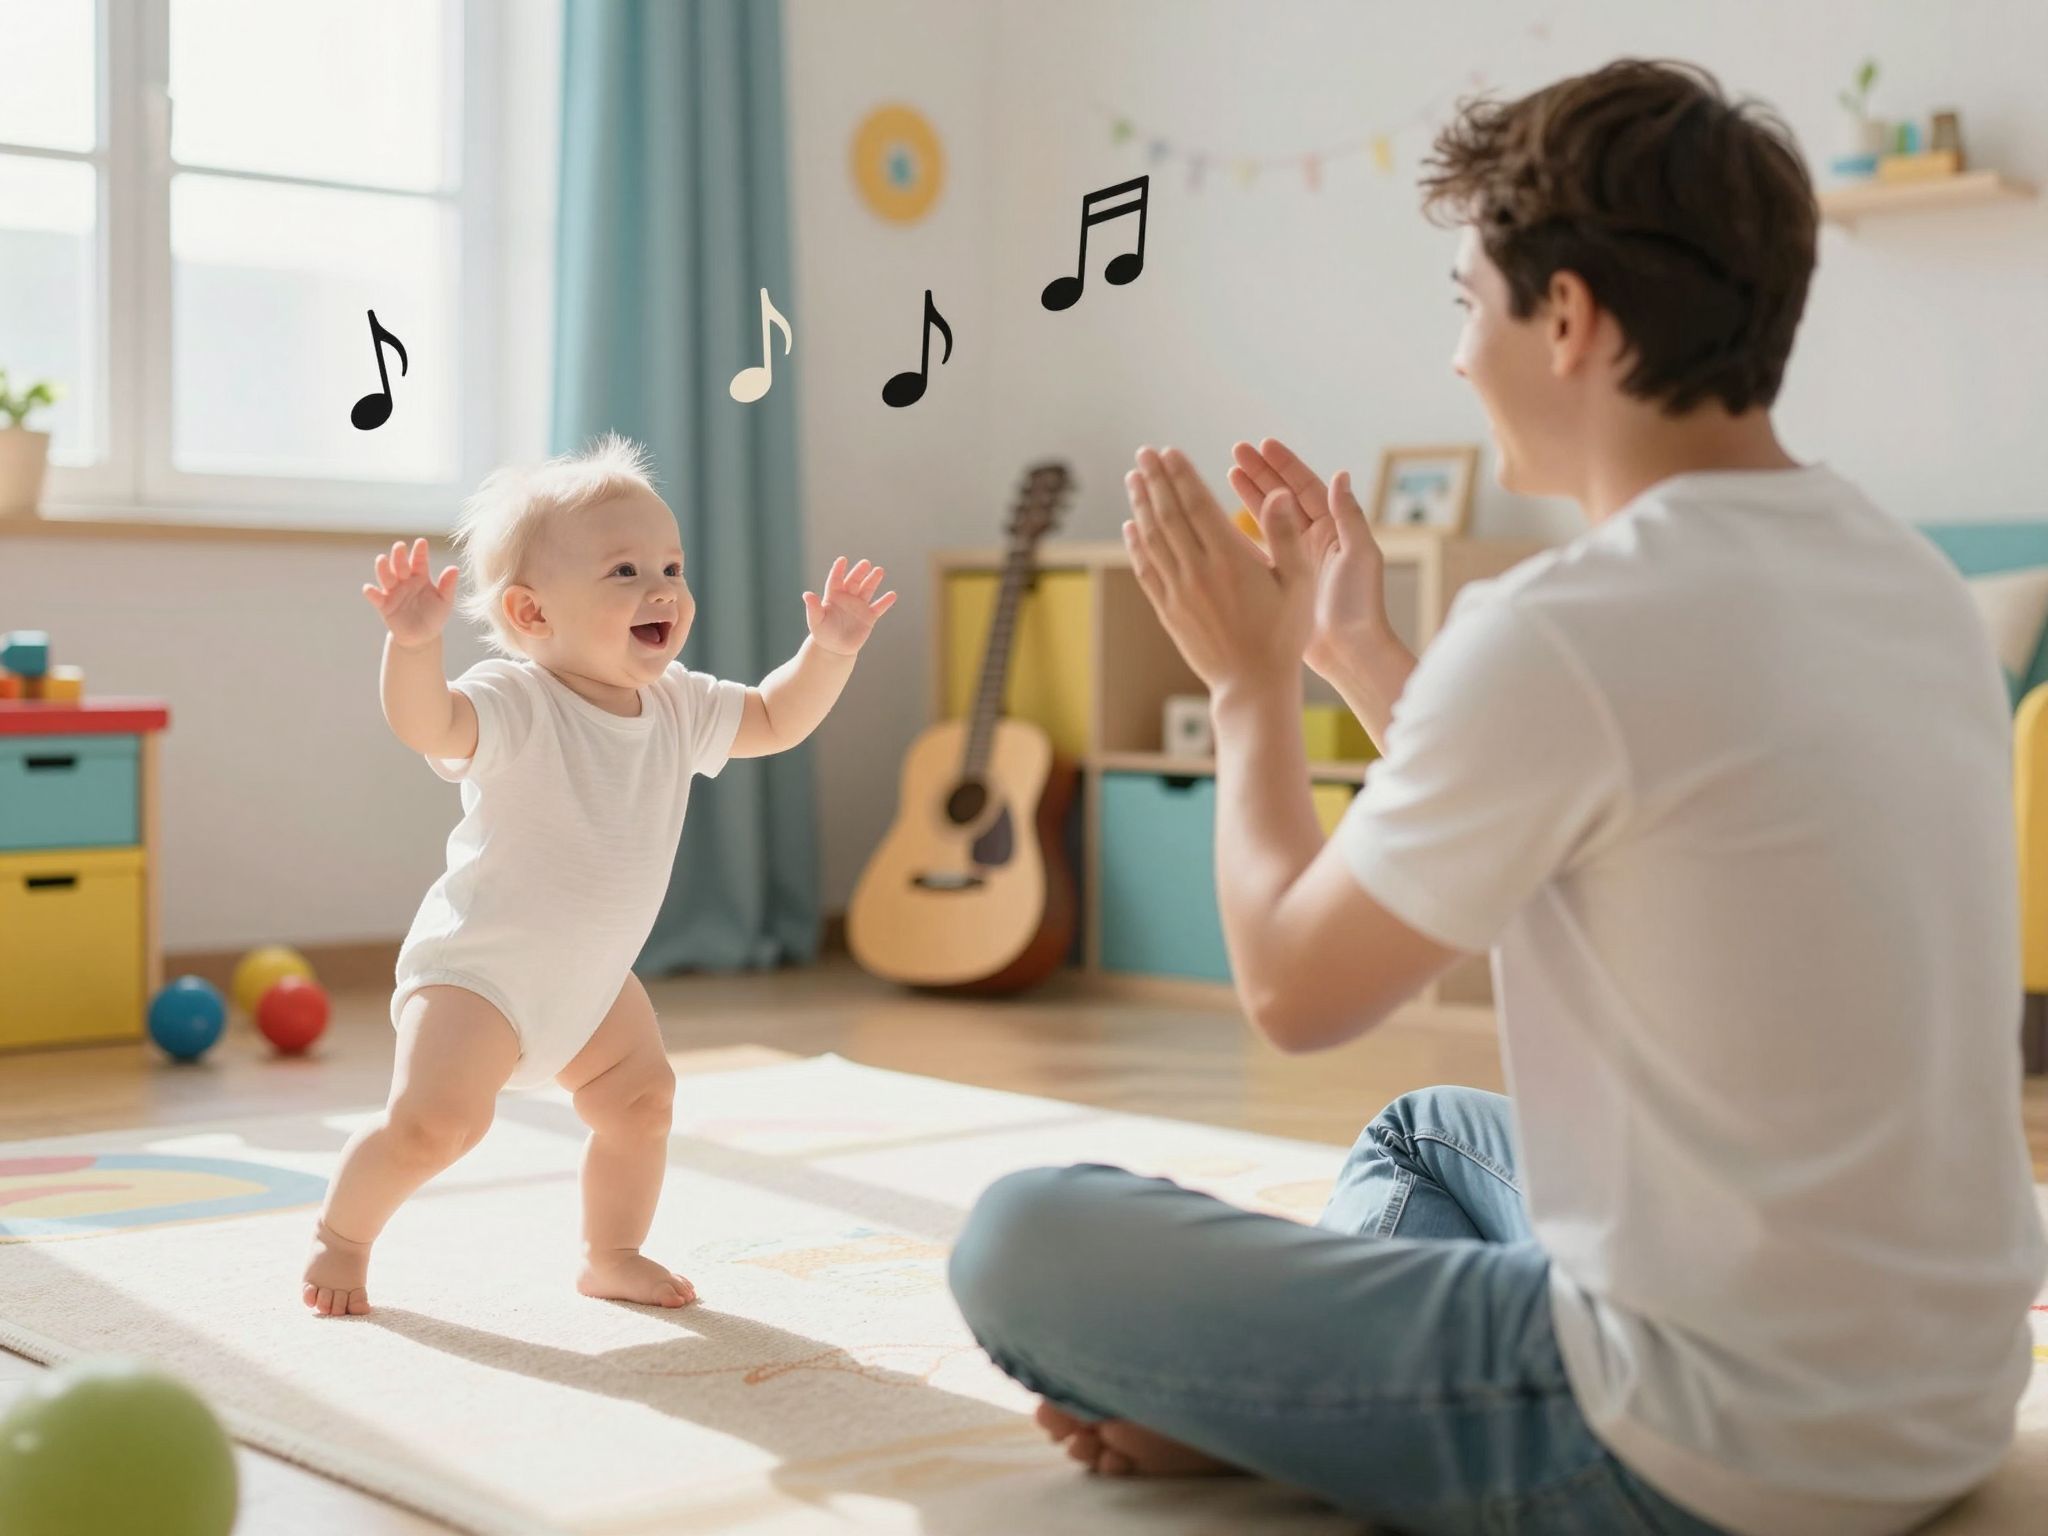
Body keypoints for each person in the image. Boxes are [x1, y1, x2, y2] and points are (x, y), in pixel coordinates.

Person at [948, 59, 2046, 1535]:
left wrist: (1248, 688)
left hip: (1706, 1451)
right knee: (1423, 1136)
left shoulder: (1567, 624)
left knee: (1020, 1240)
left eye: (1469, 302)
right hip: (1939, 1396)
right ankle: (1307, 1400)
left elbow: (1292, 986)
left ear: (1571, 317)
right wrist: (1355, 654)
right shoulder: (1907, 583)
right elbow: (1614, 814)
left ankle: (1285, 1407)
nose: (1461, 356)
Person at [302, 434, 895, 1316]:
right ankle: (340, 1238)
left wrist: (832, 653)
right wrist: (414, 648)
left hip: (590, 985)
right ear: (533, 615)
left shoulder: (679, 703)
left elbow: (774, 717)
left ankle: (610, 1252)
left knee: (643, 1101)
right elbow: (429, 725)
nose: (662, 587)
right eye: (624, 571)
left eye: (671, 565)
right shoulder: (516, 700)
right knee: (435, 1128)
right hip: (479, 975)